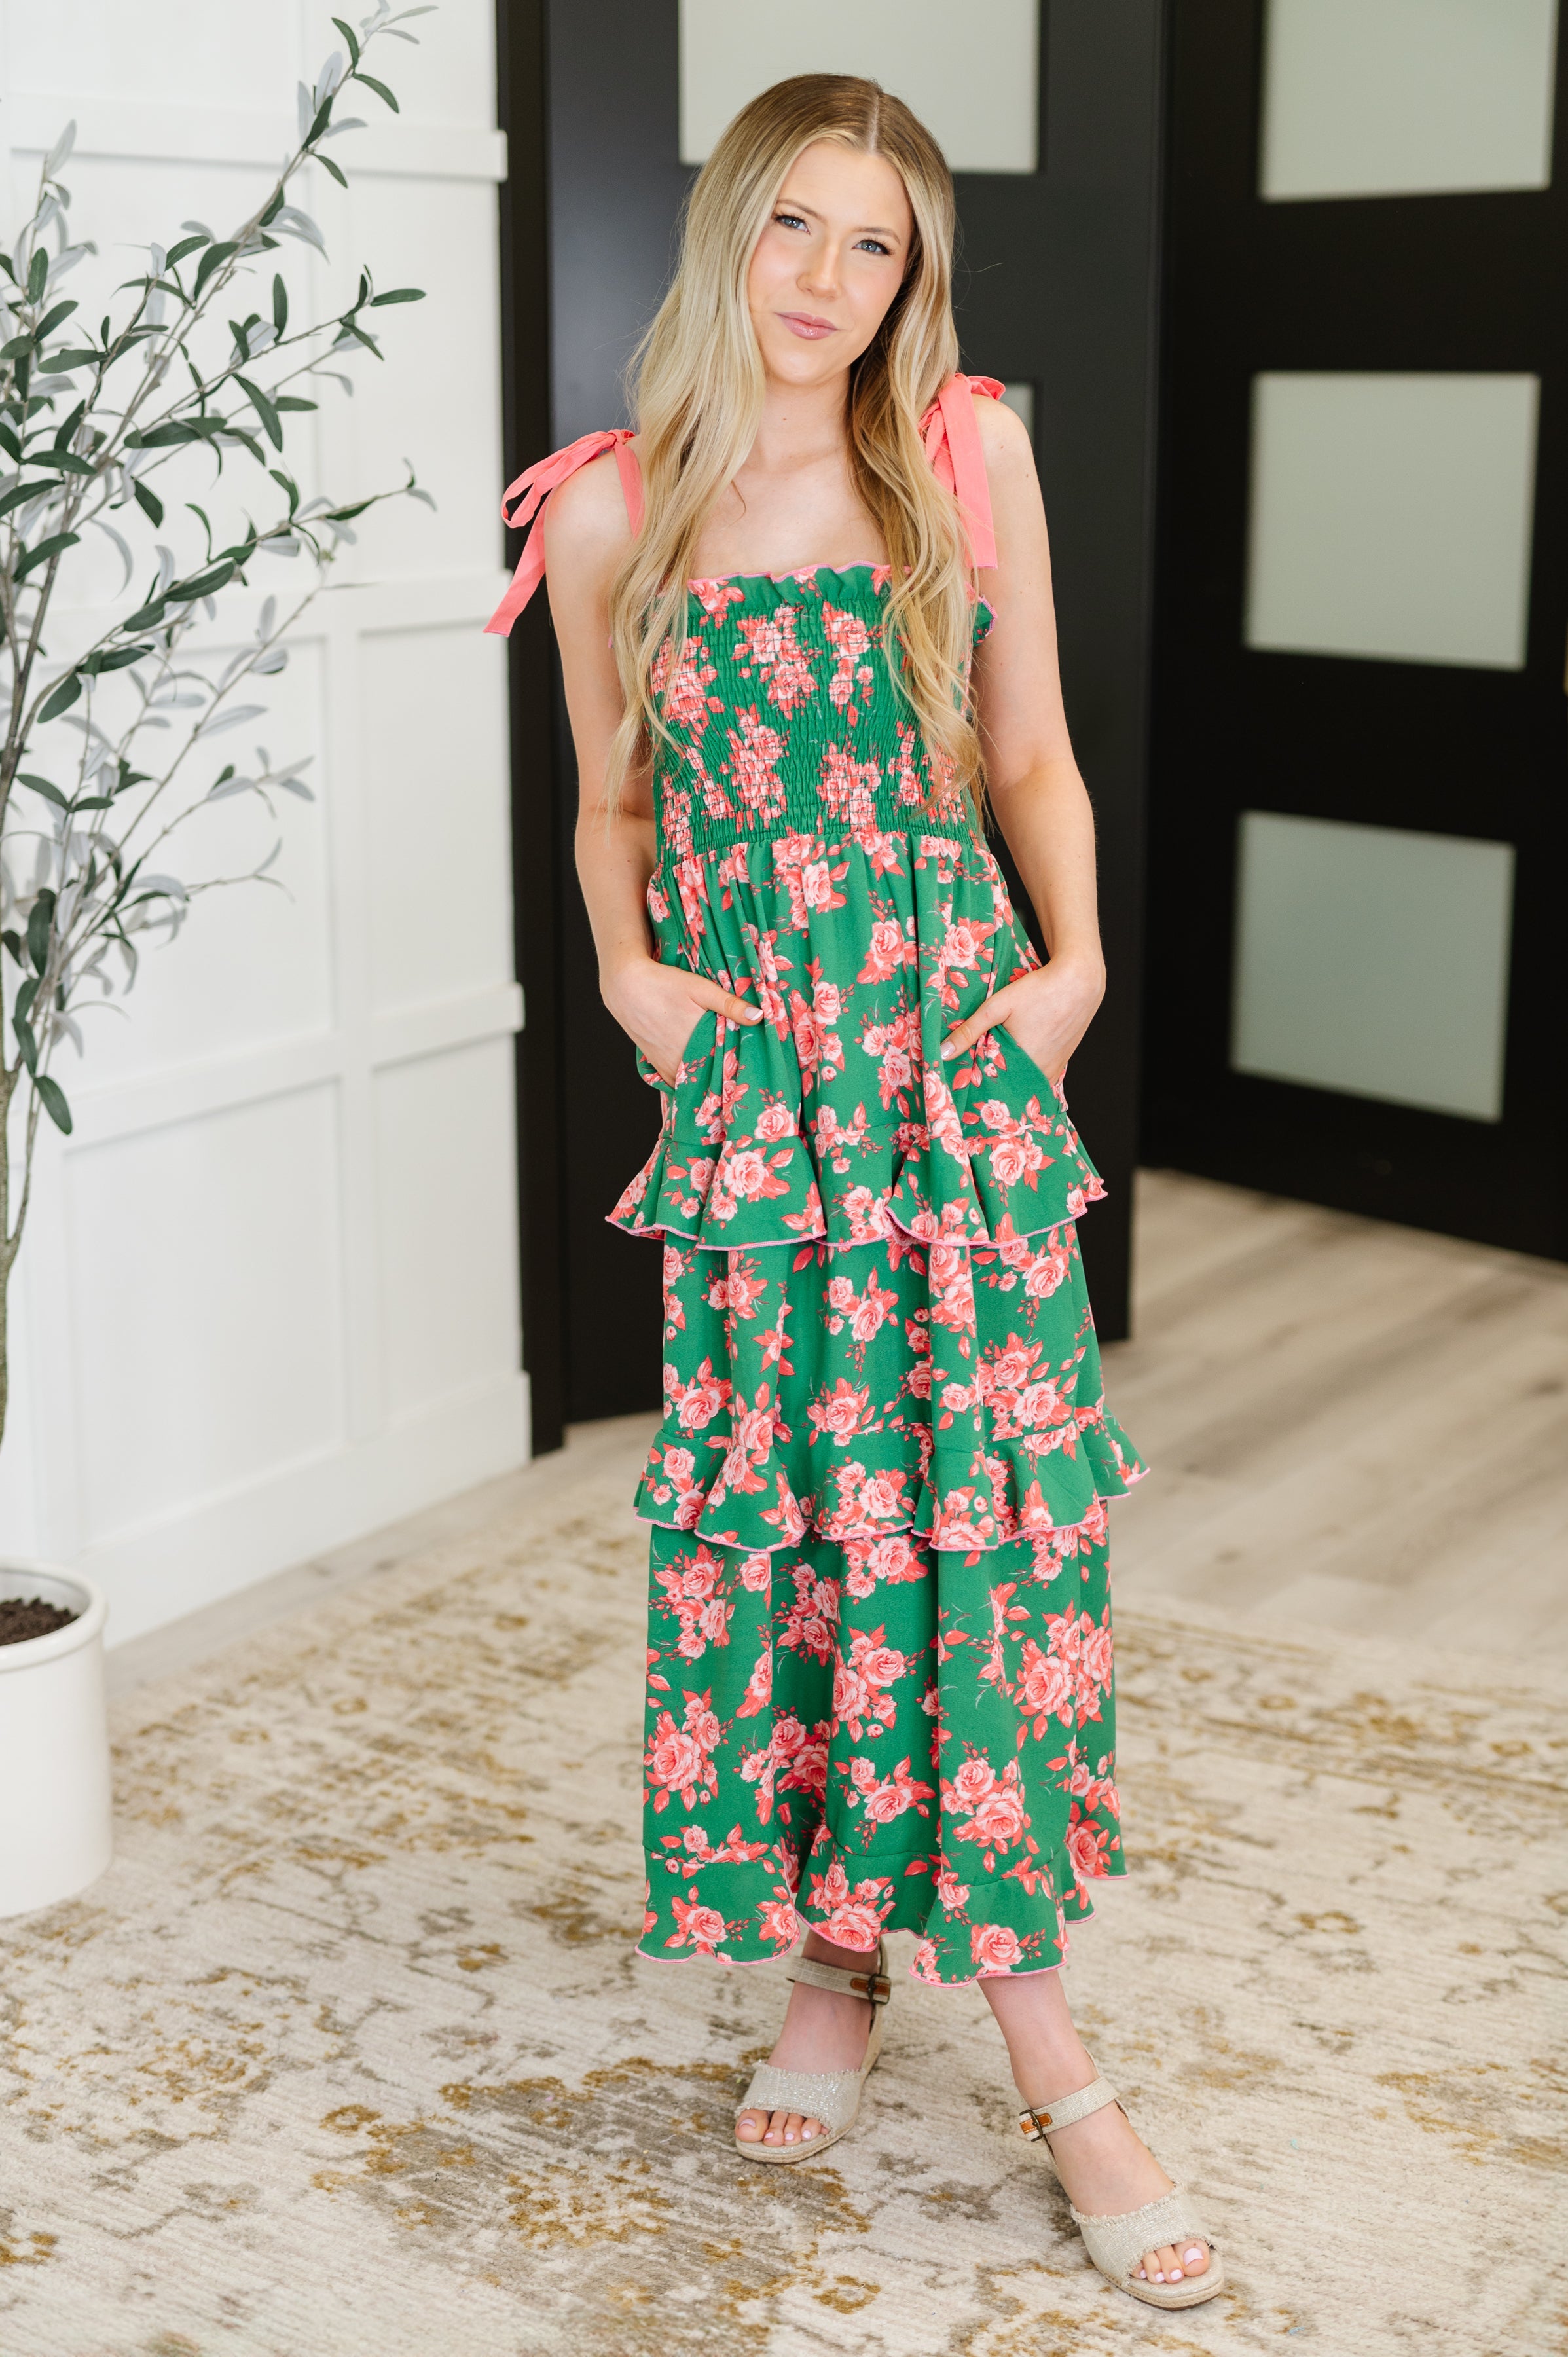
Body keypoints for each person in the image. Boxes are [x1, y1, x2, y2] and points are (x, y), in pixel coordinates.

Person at [486, 73, 1224, 2312]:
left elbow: (1030, 756)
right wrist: (634, 981)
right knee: (805, 1525)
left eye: (874, 246)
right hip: (759, 1112)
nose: (826, 281)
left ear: (915, 279)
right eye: (793, 229)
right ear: (728, 237)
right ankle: (832, 1965)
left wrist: (1072, 975)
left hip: (949, 1065)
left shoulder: (962, 457)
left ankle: (1047, 2045)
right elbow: (612, 803)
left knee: (978, 1526)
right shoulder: (619, 508)